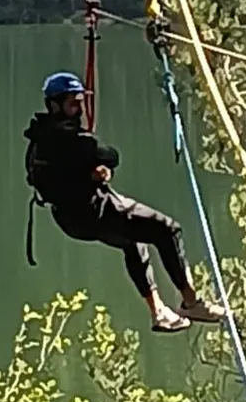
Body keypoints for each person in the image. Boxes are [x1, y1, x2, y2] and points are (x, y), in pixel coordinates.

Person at [24, 71, 226, 333]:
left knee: (133, 241)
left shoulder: (38, 141)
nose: (80, 109)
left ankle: (159, 312)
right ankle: (191, 302)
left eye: (80, 102)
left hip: (71, 221)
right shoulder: (73, 140)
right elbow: (110, 155)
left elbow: (58, 175)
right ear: (54, 105)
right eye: (74, 103)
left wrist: (89, 173)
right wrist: (97, 169)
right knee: (167, 230)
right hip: (97, 211)